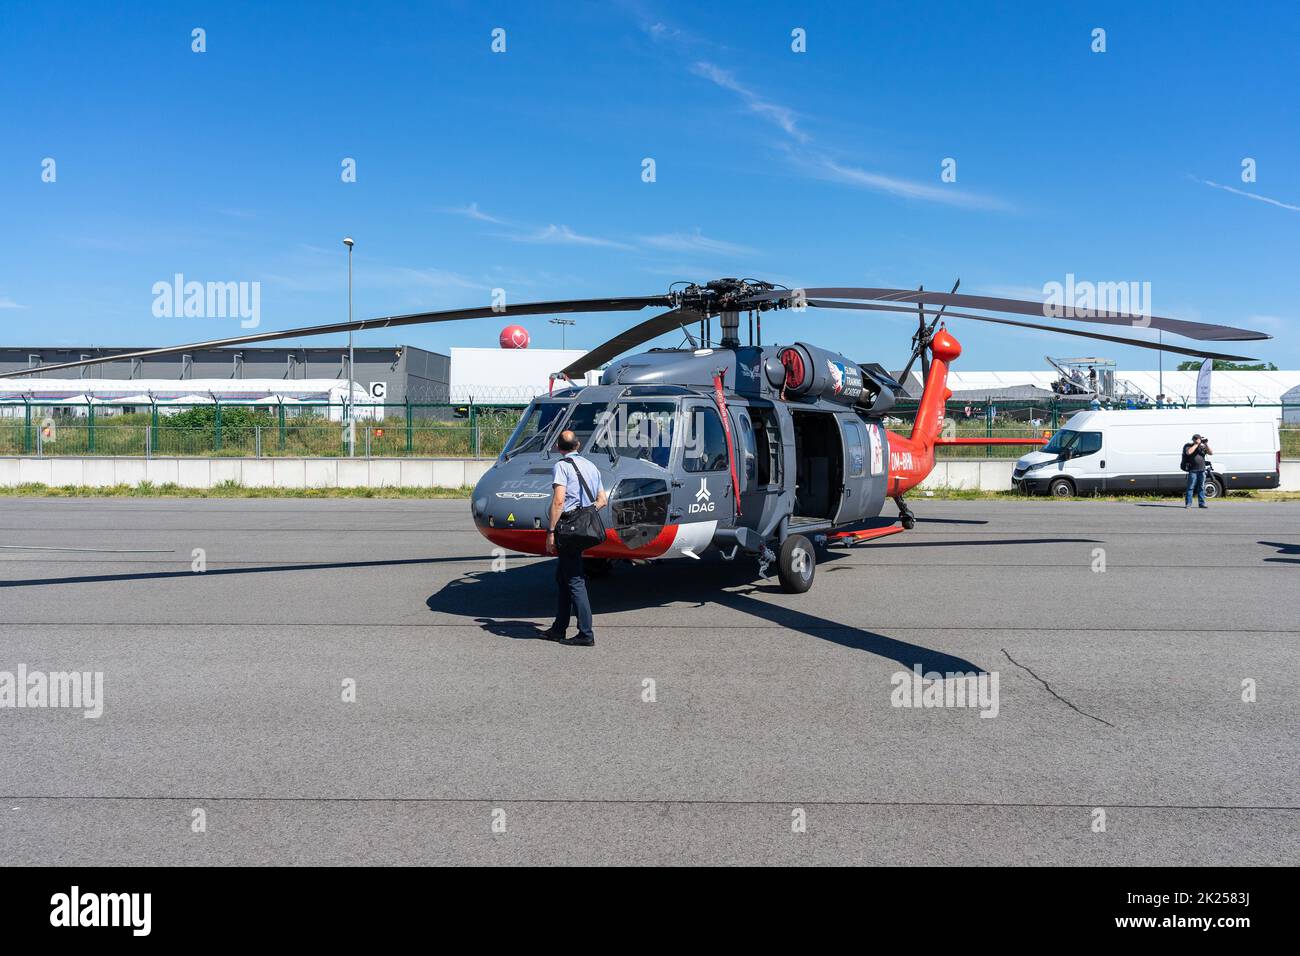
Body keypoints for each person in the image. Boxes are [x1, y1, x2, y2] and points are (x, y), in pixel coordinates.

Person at [543, 429, 608, 646]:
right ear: (578, 445)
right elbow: (602, 500)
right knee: (563, 577)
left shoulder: (561, 466)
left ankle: (586, 633)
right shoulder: (591, 466)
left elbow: (559, 501)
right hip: (584, 528)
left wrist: (551, 531)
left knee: (574, 580)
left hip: (568, 528)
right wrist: (586, 513)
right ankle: (558, 629)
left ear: (558, 447)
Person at [1182, 433, 1213, 508]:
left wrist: (1206, 444)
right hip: (1193, 470)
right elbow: (1188, 452)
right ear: (1193, 439)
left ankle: (1201, 503)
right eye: (1195, 439)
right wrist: (1196, 444)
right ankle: (1188, 504)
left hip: (1202, 470)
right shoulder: (1188, 446)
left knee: (1201, 487)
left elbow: (1211, 453)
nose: (1196, 440)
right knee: (1190, 487)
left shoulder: (1202, 447)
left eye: (1198, 439)